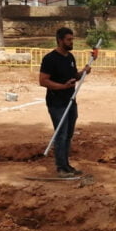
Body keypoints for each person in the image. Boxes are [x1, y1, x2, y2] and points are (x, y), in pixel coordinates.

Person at [39, 27, 91, 178]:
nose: (71, 42)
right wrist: (62, 87)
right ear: (60, 40)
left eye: (72, 39)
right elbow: (43, 81)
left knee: (68, 134)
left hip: (71, 100)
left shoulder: (70, 57)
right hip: (57, 103)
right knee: (61, 134)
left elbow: (73, 76)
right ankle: (61, 167)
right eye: (68, 40)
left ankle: (66, 165)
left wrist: (83, 72)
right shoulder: (50, 59)